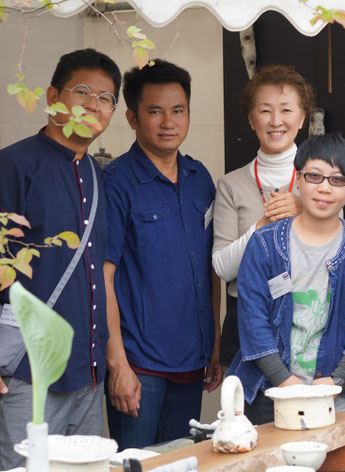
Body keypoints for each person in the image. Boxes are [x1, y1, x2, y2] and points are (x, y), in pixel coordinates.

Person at [0, 49, 121, 469]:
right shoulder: (13, 164)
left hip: (87, 377)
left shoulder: (99, 176)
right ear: (53, 95)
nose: (93, 104)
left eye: (105, 98)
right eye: (82, 91)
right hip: (25, 375)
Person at [102, 59, 222, 450]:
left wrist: (215, 344)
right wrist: (118, 364)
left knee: (181, 460)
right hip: (139, 364)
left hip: (192, 360)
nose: (168, 122)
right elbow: (102, 277)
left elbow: (212, 265)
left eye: (178, 110)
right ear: (133, 118)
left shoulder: (198, 177)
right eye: (155, 111)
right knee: (137, 462)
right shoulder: (116, 182)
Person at [228, 133, 345, 425]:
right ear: (298, 178)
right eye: (315, 176)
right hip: (270, 393)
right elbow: (253, 321)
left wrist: (336, 379)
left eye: (337, 179)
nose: (325, 188)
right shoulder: (264, 243)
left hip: (338, 396)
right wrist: (285, 381)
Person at [212, 65, 314, 369]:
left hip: (308, 314)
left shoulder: (321, 178)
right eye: (265, 110)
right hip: (247, 315)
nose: (276, 121)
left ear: (302, 117)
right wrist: (262, 226)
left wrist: (305, 210)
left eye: (286, 110)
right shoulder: (231, 185)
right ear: (250, 118)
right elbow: (222, 267)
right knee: (246, 415)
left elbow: (336, 252)